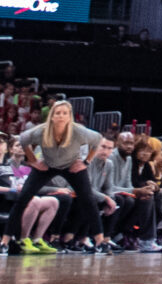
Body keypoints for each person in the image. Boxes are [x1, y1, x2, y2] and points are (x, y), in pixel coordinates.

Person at [11, 102, 106, 254]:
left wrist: (86, 162)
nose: (61, 116)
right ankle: (23, 238)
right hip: (38, 190)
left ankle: (43, 238)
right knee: (44, 199)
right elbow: (28, 183)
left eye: (64, 113)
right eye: (58, 113)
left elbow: (97, 139)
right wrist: (34, 162)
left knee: (74, 200)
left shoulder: (76, 141)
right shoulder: (34, 158)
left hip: (55, 190)